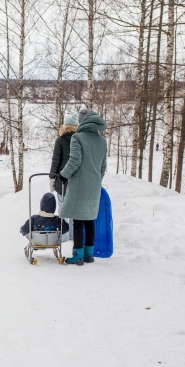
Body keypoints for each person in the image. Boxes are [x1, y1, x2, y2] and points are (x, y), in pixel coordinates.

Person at [60, 108, 108, 265]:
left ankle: (77, 255)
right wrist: (95, 180)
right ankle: (89, 254)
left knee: (78, 221)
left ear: (83, 121)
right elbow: (103, 167)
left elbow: (75, 161)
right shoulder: (102, 141)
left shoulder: (77, 138)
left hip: (79, 183)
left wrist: (63, 175)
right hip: (94, 185)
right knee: (89, 220)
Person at [50, 112, 78, 240]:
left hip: (62, 179)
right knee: (74, 209)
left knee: (62, 208)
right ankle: (73, 234)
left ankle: (64, 235)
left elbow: (56, 160)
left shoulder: (60, 140)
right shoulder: (80, 139)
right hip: (76, 179)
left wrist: (52, 178)